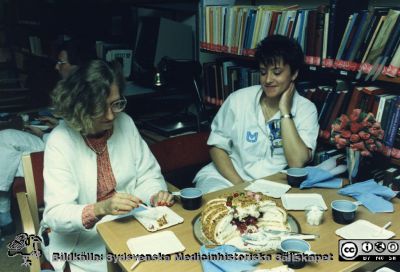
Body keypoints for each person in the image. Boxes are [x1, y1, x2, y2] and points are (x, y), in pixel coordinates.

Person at [40, 60, 174, 272]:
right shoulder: (60, 141)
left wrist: (154, 195)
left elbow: (147, 175)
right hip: (82, 237)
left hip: (128, 222)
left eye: (116, 103)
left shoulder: (125, 122)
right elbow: (56, 214)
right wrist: (101, 208)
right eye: (101, 108)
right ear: (80, 106)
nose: (112, 116)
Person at [194, 35, 319, 194]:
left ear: (293, 74)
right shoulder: (238, 100)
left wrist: (285, 112)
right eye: (263, 72)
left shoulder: (306, 110)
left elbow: (297, 163)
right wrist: (240, 186)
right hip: (226, 178)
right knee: (220, 206)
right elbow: (216, 146)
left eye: (277, 72)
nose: (268, 80)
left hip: (271, 186)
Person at [0, 39, 93, 236]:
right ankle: (3, 209)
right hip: (52, 138)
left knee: (8, 154)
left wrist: (45, 133)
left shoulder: (90, 95)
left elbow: (73, 144)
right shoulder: (71, 89)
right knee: (5, 139)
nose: (56, 66)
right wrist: (57, 125)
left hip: (56, 148)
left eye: (62, 62)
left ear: (78, 66)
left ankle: (3, 210)